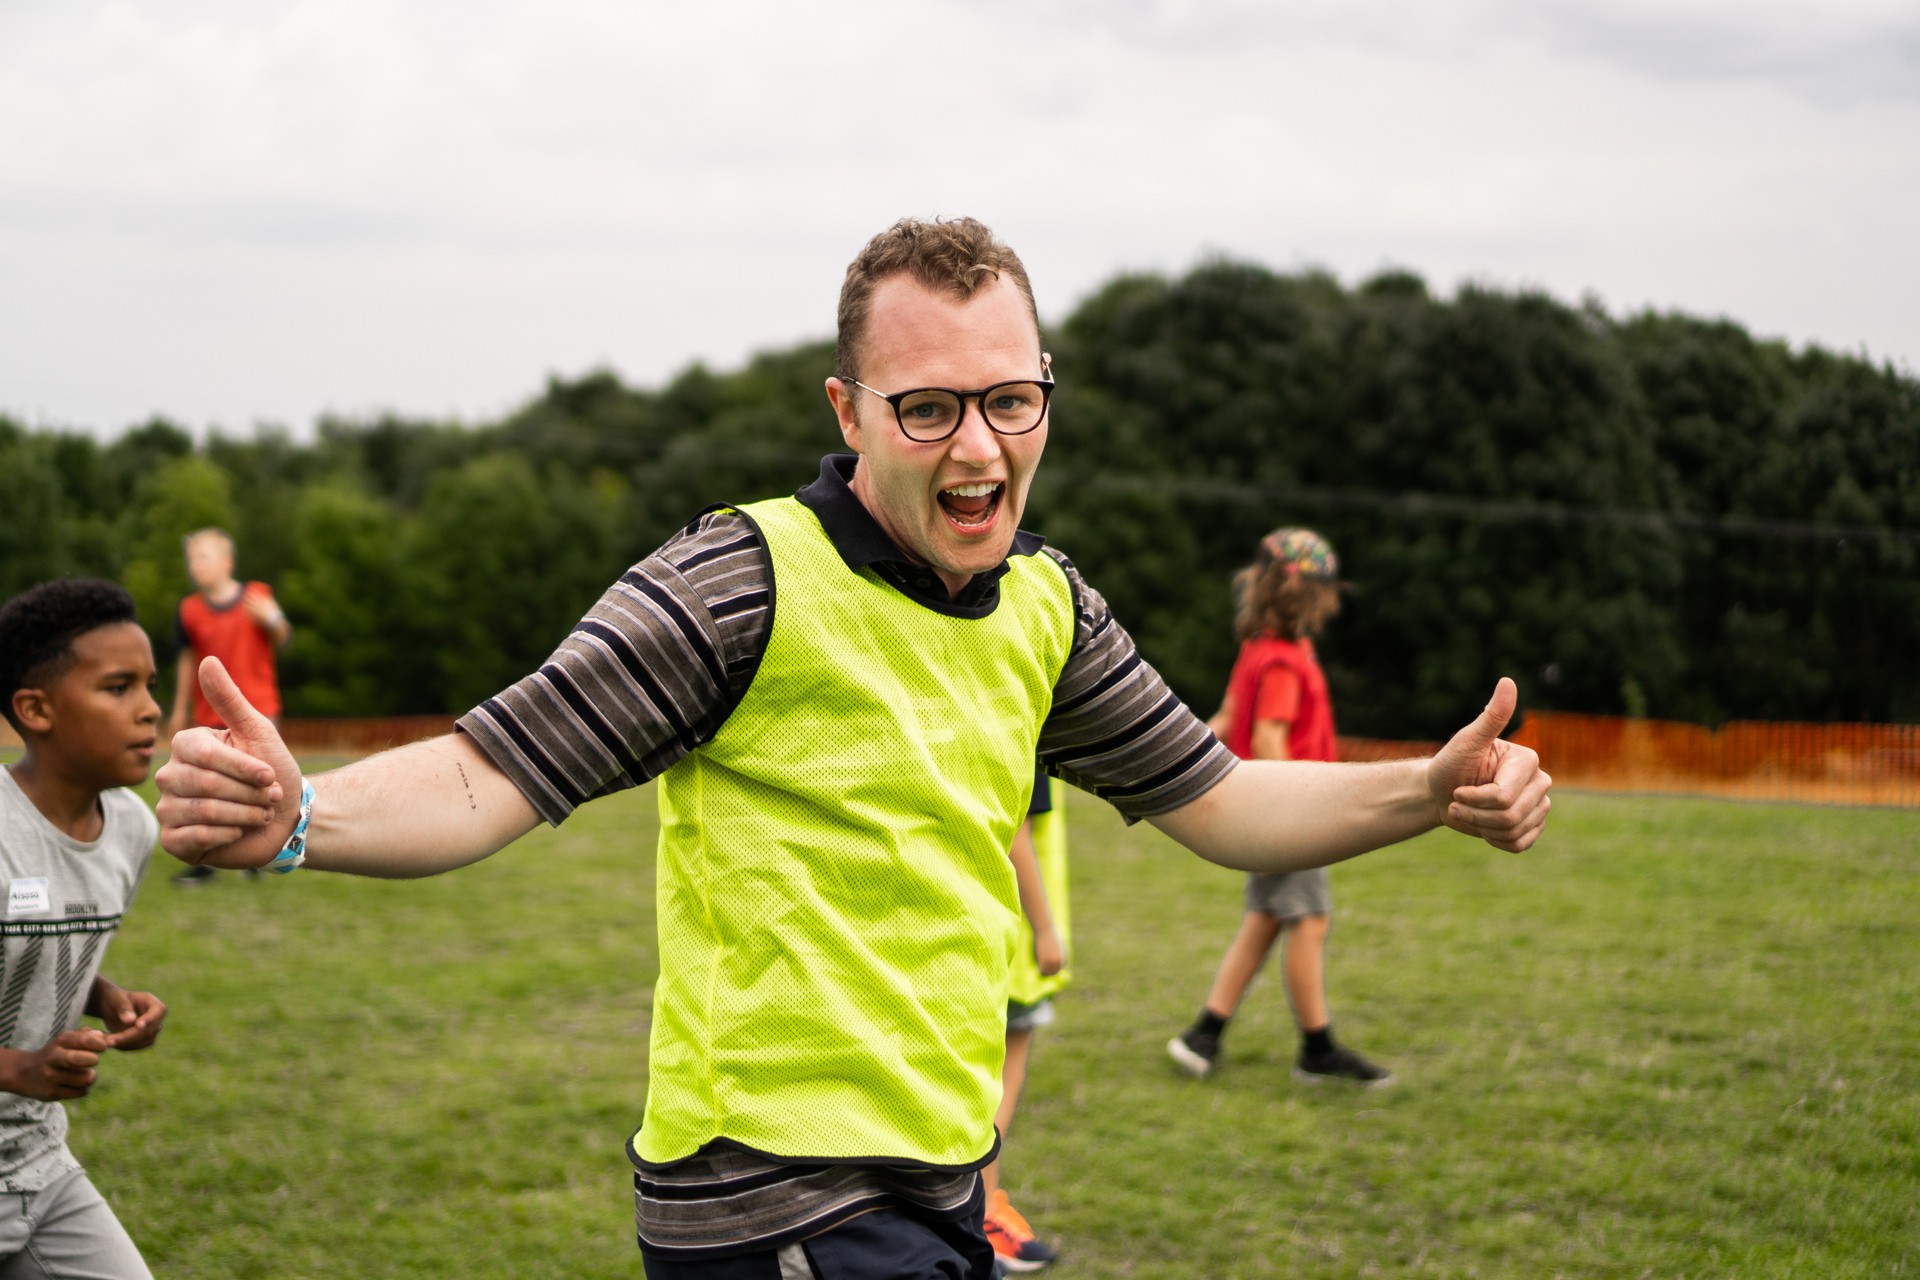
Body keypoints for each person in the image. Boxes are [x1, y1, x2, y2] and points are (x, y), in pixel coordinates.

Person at [155, 216, 1551, 1280]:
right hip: (772, 1200)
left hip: (941, 1174)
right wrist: (302, 816)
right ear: (848, 412)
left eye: (1012, 400)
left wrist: (1424, 790)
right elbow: (488, 769)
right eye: (927, 407)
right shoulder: (736, 584)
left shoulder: (1049, 611)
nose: (979, 446)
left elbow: (1227, 800)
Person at [1168, 528, 1389, 1086]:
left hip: (1261, 809)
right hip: (1291, 812)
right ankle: (1318, 1050)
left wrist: (1169, 760)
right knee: (1309, 921)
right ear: (1316, 597)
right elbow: (1268, 737)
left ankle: (1203, 1035)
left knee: (1266, 920)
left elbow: (1224, 718)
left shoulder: (1257, 650)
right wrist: (1307, 808)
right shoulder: (1285, 662)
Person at [0, 579, 173, 1279]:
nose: (150, 710)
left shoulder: (132, 827)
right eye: (118, 688)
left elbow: (34, 942)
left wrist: (107, 997)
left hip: (37, 1169)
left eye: (150, 685)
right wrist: (20, 1069)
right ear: (36, 709)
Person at [983, 760, 1069, 1273]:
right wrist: (1046, 928)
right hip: (1011, 947)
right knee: (997, 1089)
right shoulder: (1026, 720)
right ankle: (986, 1216)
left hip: (973, 934)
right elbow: (1018, 833)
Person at [167, 527, 291, 885]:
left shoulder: (257, 596)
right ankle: (206, 860)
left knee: (259, 784)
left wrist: (273, 619)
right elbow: (186, 660)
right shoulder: (188, 610)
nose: (195, 566)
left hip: (259, 709)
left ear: (227, 562)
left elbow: (283, 635)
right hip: (208, 713)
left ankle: (258, 856)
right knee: (207, 786)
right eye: (191, 559)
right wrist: (179, 709)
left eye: (202, 557)